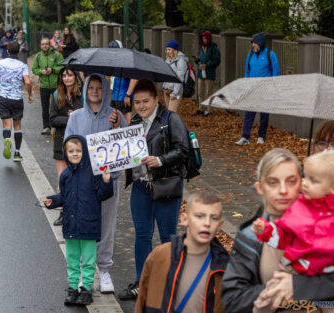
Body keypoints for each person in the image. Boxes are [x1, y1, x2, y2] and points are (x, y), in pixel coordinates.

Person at [221, 148, 334, 313]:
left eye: (291, 181)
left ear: (302, 183)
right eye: (272, 182)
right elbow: (232, 300)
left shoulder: (332, 224)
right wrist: (277, 292)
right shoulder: (250, 236)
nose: (283, 190)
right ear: (260, 188)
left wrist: (298, 286)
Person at [118, 78, 189, 300]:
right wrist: (116, 131)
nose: (140, 106)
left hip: (165, 185)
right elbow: (127, 153)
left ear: (156, 99)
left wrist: (160, 160)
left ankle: (171, 282)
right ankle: (143, 281)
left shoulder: (170, 118)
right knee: (142, 235)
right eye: (137, 102)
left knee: (168, 237)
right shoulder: (135, 121)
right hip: (141, 186)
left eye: (145, 101)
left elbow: (183, 149)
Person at [64, 74, 127, 294]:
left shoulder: (115, 116)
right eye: (91, 87)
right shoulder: (76, 117)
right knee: (84, 226)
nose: (95, 91)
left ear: (106, 91)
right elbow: (68, 145)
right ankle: (84, 270)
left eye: (100, 88)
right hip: (83, 183)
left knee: (107, 225)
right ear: (85, 90)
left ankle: (104, 270)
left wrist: (118, 126)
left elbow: (124, 148)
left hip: (108, 181)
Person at [43, 135, 114, 306]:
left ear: (85, 152)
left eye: (78, 151)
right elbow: (65, 197)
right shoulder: (65, 175)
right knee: (73, 260)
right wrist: (54, 201)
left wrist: (106, 180)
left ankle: (86, 289)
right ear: (66, 153)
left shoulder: (94, 172)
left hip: (89, 226)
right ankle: (73, 288)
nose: (75, 154)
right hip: (71, 226)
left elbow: (103, 195)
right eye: (71, 151)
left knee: (89, 261)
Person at [135, 191, 229, 313]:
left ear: (220, 225)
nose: (207, 223)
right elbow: (142, 301)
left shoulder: (225, 267)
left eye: (214, 218)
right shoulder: (160, 256)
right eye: (199, 216)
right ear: (184, 219)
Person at [49, 68, 83, 226]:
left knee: (80, 179)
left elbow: (87, 116)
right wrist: (69, 118)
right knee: (63, 179)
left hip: (79, 143)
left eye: (70, 74)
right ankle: (63, 212)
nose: (67, 78)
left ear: (75, 77)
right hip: (61, 142)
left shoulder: (82, 95)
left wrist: (76, 115)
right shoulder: (56, 95)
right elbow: (52, 119)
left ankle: (78, 211)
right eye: (64, 75)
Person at [0, 41, 33, 161]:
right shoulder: (22, 65)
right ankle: (17, 153)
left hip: (3, 98)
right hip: (17, 98)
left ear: (7, 51)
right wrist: (30, 95)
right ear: (18, 52)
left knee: (7, 125)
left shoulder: (0, 63)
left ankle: (7, 139)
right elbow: (28, 82)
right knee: (17, 125)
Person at [235, 33, 280, 146]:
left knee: (264, 115)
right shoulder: (250, 55)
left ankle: (261, 136)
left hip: (265, 89)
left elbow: (276, 72)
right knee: (249, 113)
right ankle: (245, 137)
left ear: (260, 43)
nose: (253, 45)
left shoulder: (271, 55)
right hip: (252, 89)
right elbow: (247, 71)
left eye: (255, 43)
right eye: (253, 43)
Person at [32, 38, 63, 135]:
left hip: (55, 85)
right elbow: (34, 69)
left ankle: (58, 126)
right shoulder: (38, 56)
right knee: (45, 107)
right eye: (42, 44)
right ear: (40, 46)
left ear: (50, 45)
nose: (44, 46)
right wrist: (41, 72)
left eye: (46, 44)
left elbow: (62, 66)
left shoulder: (56, 55)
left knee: (58, 106)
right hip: (44, 85)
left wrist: (52, 70)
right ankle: (46, 127)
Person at [108, 40, 137, 125]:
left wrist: (128, 95)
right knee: (115, 122)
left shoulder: (126, 62)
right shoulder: (113, 61)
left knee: (126, 122)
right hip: (115, 96)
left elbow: (134, 77)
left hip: (123, 97)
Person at [193, 30, 221, 117]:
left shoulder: (214, 48)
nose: (204, 40)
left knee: (209, 92)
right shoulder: (201, 48)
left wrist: (207, 65)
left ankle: (209, 110)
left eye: (205, 38)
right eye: (203, 38)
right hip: (201, 72)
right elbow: (201, 59)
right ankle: (201, 108)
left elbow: (217, 60)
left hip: (209, 73)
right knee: (200, 92)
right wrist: (197, 61)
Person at [162, 40, 187, 112]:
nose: (167, 51)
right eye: (166, 49)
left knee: (171, 113)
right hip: (166, 89)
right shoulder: (168, 59)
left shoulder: (181, 60)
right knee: (168, 114)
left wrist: (175, 93)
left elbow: (180, 77)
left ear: (174, 50)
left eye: (169, 49)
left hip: (175, 91)